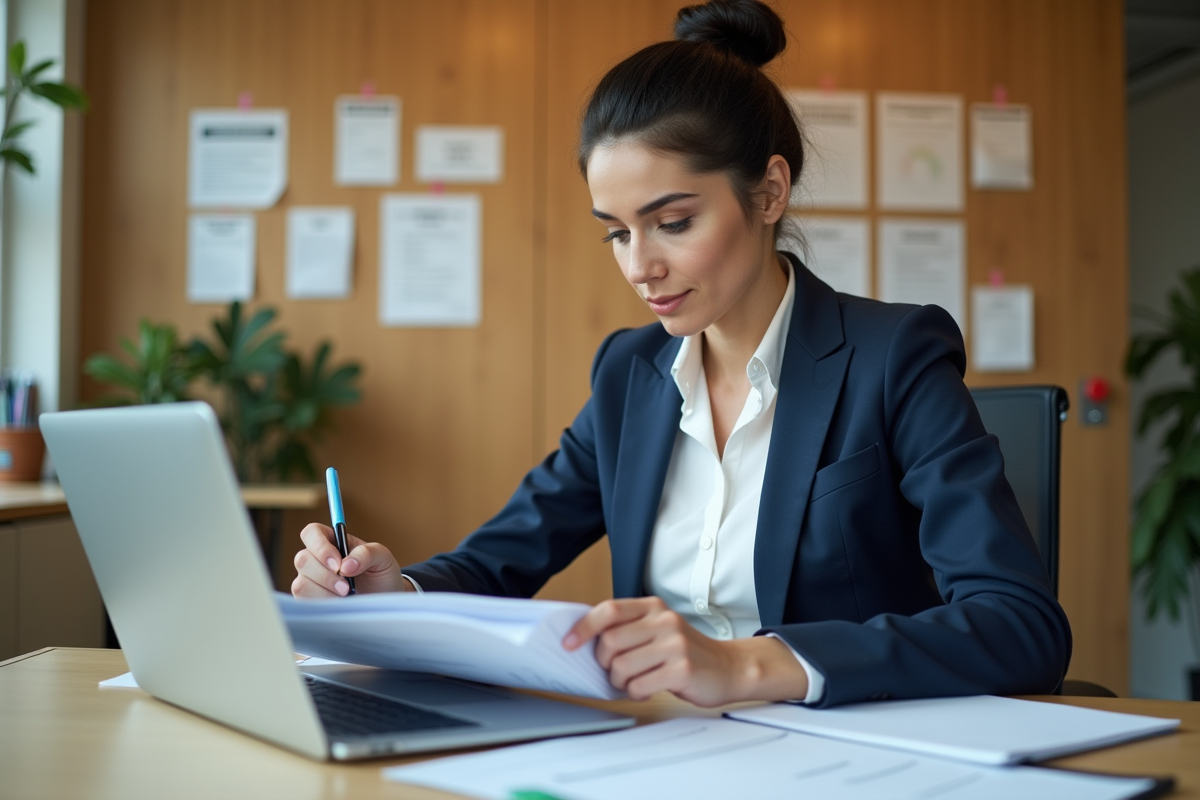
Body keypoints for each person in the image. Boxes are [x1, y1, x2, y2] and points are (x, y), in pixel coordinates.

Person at [292, 0, 1071, 709]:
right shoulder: (630, 375)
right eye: (616, 231)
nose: (639, 267)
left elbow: (1020, 626)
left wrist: (752, 665)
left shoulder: (892, 356)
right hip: (661, 749)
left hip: (837, 757)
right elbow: (502, 558)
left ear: (768, 193)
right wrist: (400, 592)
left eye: (672, 222)